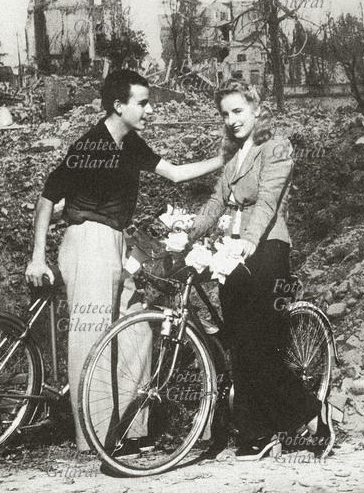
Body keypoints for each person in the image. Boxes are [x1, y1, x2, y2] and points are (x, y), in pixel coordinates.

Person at [25, 69, 226, 452]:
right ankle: (97, 439)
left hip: (117, 242)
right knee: (91, 334)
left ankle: (129, 430)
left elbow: (176, 174)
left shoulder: (130, 144)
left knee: (137, 329)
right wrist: (38, 257)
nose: (149, 110)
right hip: (87, 242)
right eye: (143, 103)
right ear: (119, 106)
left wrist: (223, 159)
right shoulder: (91, 145)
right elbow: (48, 197)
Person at [188, 80, 335, 461]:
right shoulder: (235, 155)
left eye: (238, 111)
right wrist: (182, 233)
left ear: (256, 109)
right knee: (240, 347)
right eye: (225, 113)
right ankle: (258, 432)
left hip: (267, 251)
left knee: (258, 347)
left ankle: (314, 415)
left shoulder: (276, 147)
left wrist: (248, 242)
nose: (231, 120)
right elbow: (214, 205)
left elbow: (267, 201)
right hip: (234, 255)